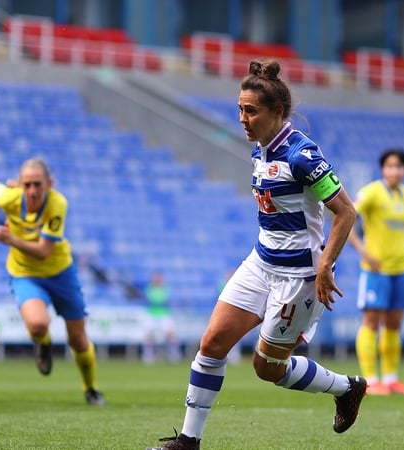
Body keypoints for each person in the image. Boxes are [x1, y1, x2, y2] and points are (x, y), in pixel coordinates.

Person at [147, 60, 366, 450]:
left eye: (252, 111)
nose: (243, 119)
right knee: (211, 343)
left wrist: (326, 265)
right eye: (240, 109)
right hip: (260, 263)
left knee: (268, 368)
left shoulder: (303, 156)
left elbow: (346, 212)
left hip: (298, 278)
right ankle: (188, 440)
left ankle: (347, 388)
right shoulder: (259, 150)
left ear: (276, 113)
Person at [0, 158, 105, 406]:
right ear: (21, 185)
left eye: (37, 185)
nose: (32, 191)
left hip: (61, 272)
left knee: (78, 338)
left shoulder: (57, 204)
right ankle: (43, 345)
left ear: (49, 184)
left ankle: (90, 388)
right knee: (37, 325)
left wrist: (12, 240)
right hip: (26, 273)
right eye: (27, 185)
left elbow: (43, 251)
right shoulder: (10, 198)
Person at [348, 148, 404, 396]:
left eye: (399, 166)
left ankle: (390, 378)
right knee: (371, 321)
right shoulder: (371, 193)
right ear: (382, 169)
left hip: (402, 268)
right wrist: (363, 251)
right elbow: (347, 216)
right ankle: (369, 380)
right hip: (376, 270)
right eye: (390, 166)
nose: (394, 171)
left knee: (394, 323)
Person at [142, 270, 181, 364]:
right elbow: (151, 299)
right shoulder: (149, 288)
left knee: (171, 333)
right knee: (148, 334)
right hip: (152, 313)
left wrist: (157, 301)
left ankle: (174, 355)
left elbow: (162, 299)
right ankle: (148, 355)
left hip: (163, 313)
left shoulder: (165, 288)